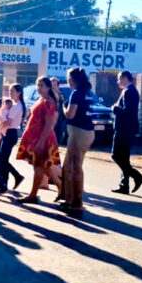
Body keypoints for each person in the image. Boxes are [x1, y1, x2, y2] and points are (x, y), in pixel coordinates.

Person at [15, 77, 63, 204]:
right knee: (44, 166)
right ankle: (61, 187)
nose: (39, 88)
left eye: (42, 85)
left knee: (38, 166)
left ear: (48, 87)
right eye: (37, 85)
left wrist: (41, 142)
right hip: (34, 137)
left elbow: (48, 125)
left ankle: (33, 194)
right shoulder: (41, 100)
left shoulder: (49, 102)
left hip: (43, 139)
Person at [61, 68, 95, 213]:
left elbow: (70, 114)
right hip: (87, 132)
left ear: (74, 79)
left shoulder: (76, 94)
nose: (68, 81)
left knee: (74, 167)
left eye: (69, 78)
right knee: (70, 167)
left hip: (78, 132)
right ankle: (70, 199)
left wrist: (63, 107)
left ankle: (76, 202)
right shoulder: (87, 93)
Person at [111, 71, 142, 194]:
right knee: (124, 158)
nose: (118, 81)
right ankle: (124, 185)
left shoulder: (128, 91)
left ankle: (137, 176)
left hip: (124, 129)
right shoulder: (131, 90)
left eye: (119, 79)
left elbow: (127, 112)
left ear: (125, 78)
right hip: (128, 129)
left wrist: (115, 108)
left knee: (115, 155)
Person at [0, 84, 27, 191]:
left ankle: (15, 177)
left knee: (2, 160)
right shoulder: (16, 105)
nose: (10, 93)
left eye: (13, 91)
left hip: (10, 133)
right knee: (3, 159)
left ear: (19, 93)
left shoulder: (16, 106)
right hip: (9, 133)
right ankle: (4, 182)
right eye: (10, 91)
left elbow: (9, 122)